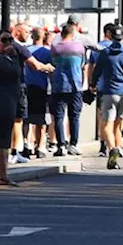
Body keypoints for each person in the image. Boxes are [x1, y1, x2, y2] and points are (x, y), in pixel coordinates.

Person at [92, 26, 123, 170]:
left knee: (106, 124)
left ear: (111, 37)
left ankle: (112, 149)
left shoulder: (105, 53)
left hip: (109, 92)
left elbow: (97, 71)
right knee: (118, 124)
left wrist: (93, 84)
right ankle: (118, 147)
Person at [0, 30, 24, 186]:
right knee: (3, 140)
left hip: (5, 98)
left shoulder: (1, 58)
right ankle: (2, 176)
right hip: (2, 100)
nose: (8, 43)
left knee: (0, 139)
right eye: (4, 40)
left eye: (10, 39)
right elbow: (16, 72)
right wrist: (14, 56)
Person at [48, 23, 85, 157]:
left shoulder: (55, 48)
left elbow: (52, 64)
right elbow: (82, 65)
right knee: (74, 116)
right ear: (72, 34)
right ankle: (73, 145)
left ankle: (61, 145)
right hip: (75, 85)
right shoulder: (79, 47)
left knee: (59, 117)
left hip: (58, 85)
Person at [23, 27, 52, 160]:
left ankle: (26, 145)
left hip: (27, 85)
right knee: (41, 120)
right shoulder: (47, 52)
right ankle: (40, 147)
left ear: (32, 36)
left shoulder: (26, 50)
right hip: (41, 87)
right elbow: (52, 69)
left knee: (26, 119)